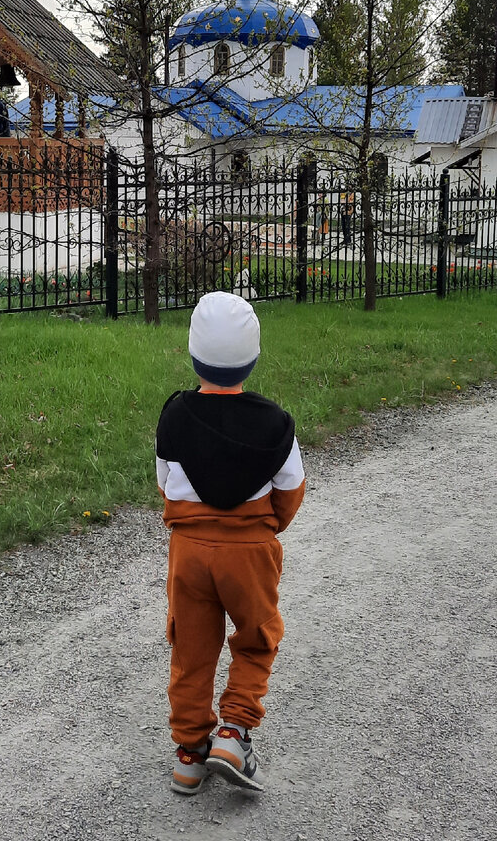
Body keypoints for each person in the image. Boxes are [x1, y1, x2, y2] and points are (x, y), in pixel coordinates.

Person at [155, 292, 306, 795]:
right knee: (256, 636)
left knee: (191, 648)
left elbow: (166, 484)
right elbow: (290, 490)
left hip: (189, 553)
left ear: (193, 353)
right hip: (250, 553)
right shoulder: (276, 424)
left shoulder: (174, 416)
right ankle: (233, 732)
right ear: (255, 357)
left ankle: (189, 754)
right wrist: (266, 529)